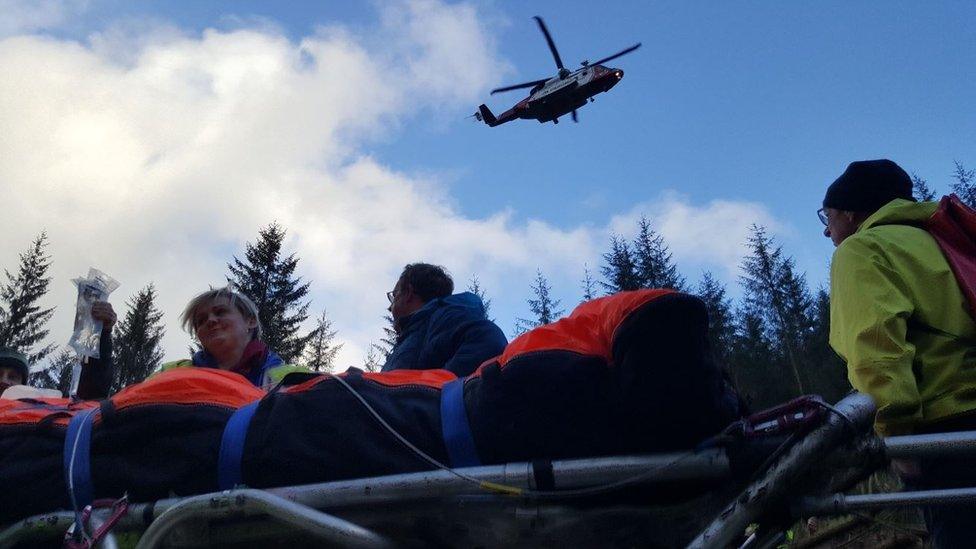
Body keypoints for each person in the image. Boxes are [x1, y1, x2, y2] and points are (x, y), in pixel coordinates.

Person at [821, 158, 976, 547]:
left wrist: (897, 437)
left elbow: (877, 351)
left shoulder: (861, 250)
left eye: (828, 215)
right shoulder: (947, 242)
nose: (826, 230)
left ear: (852, 214)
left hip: (947, 434)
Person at [161, 287, 305, 388]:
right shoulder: (170, 372)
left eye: (220, 312)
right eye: (201, 320)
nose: (210, 320)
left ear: (251, 321)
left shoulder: (292, 378)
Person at [384, 263, 507, 377]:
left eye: (395, 295)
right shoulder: (420, 330)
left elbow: (489, 340)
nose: (390, 307)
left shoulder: (441, 318)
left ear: (409, 293)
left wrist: (434, 391)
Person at [0, 301, 117, 399]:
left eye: (12, 377)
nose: (4, 381)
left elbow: (90, 396)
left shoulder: (34, 418)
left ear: (23, 385)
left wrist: (101, 335)